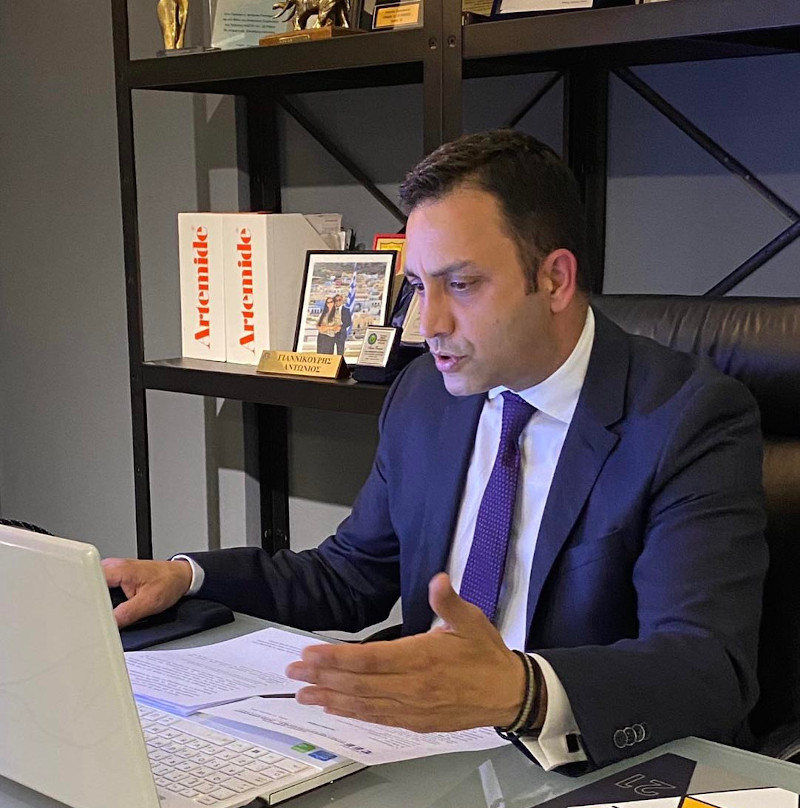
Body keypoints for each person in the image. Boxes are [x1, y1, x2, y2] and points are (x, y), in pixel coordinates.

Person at [104, 129, 767, 773]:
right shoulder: (425, 392)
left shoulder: (688, 418)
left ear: (555, 279)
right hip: (432, 753)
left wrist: (523, 691)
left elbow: (708, 667)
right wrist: (188, 578)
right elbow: (349, 576)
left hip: (587, 764)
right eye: (420, 286)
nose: (429, 324)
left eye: (463, 284)